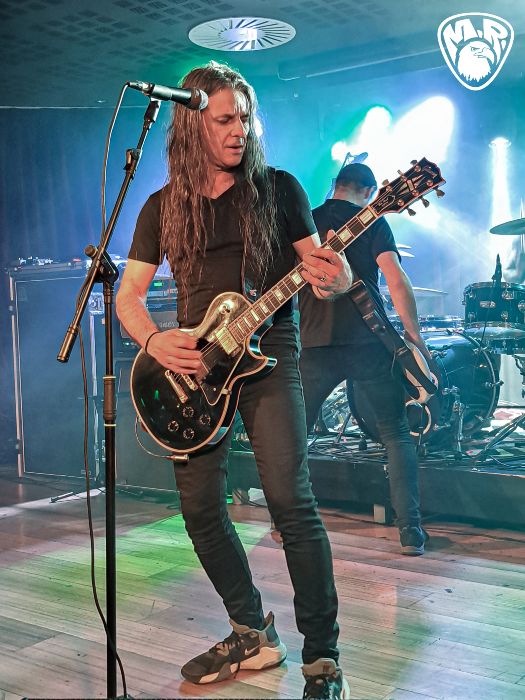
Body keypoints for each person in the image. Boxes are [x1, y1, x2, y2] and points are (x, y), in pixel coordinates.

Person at [116, 62, 353, 699]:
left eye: (245, 118)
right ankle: (251, 633)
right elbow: (128, 295)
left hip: (269, 355)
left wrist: (339, 277)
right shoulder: (162, 206)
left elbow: (322, 274)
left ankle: (323, 658)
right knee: (199, 511)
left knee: (290, 503)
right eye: (225, 119)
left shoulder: (279, 189)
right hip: (196, 368)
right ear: (192, 126)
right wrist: (155, 340)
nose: (239, 130)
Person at [299, 163, 431, 555]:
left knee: (294, 435)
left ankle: (286, 519)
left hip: (314, 341)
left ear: (335, 185)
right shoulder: (373, 221)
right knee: (394, 433)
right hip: (366, 340)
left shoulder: (305, 221)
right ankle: (410, 531)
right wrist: (414, 337)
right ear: (371, 192)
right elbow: (395, 278)